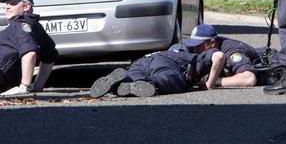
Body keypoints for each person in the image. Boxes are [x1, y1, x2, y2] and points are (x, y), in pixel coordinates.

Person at [89, 38, 224, 98]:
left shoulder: (161, 52)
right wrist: (210, 84)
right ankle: (150, 84)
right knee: (166, 78)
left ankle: (118, 84)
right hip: (170, 64)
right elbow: (218, 56)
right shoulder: (189, 57)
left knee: (133, 75)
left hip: (143, 61)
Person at [0, 0, 59, 97]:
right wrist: (38, 86)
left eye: (13, 4)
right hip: (3, 79)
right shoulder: (35, 26)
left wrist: (24, 86)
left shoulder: (21, 25)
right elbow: (49, 56)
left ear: (26, 7)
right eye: (6, 4)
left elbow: (30, 53)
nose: (7, 7)